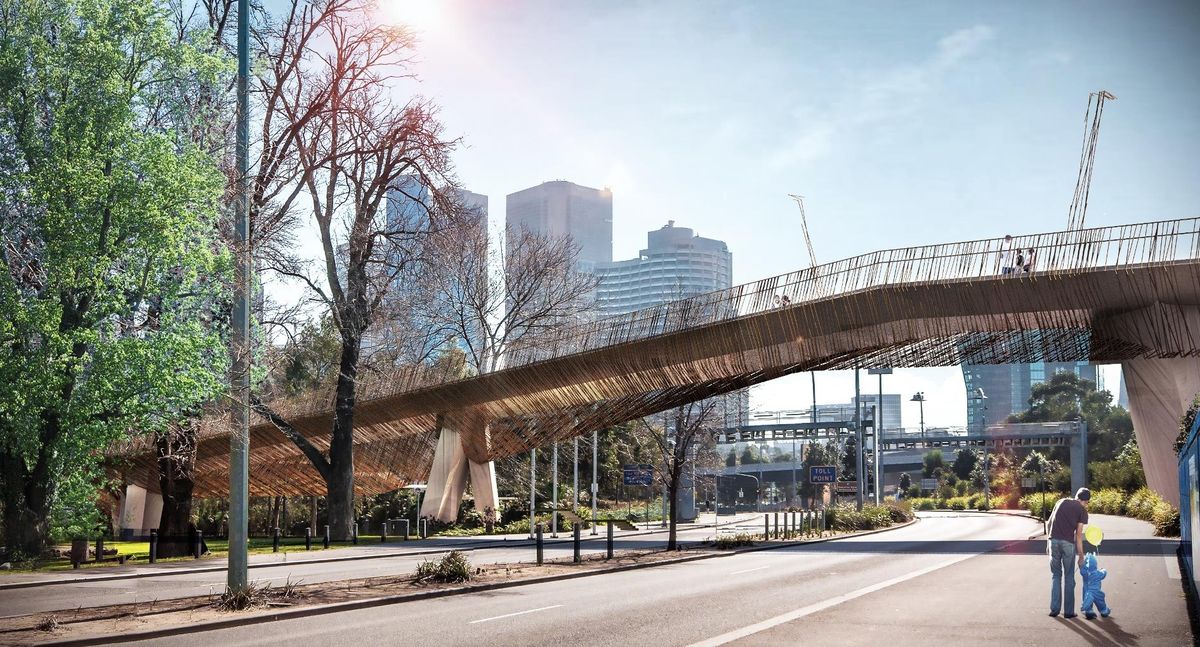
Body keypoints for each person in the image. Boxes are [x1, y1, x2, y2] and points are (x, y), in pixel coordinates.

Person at [1047, 488, 1091, 618]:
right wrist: (1081, 556)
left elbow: (1049, 523)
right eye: (1087, 503)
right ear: (1086, 501)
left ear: (1076, 497)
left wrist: (1048, 544)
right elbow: (1078, 535)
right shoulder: (1082, 511)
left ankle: (1054, 609)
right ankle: (1069, 612)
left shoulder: (1061, 501)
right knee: (1069, 577)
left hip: (1053, 541)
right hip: (1068, 544)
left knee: (1056, 575)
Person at [1080, 552, 1112, 620]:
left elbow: (1082, 569)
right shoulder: (1098, 573)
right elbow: (1104, 573)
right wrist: (1103, 569)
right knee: (1100, 602)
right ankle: (1104, 611)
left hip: (1087, 591)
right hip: (1097, 592)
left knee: (1087, 599)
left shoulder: (1084, 573)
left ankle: (1088, 611)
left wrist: (1082, 565)